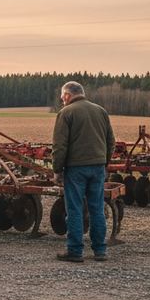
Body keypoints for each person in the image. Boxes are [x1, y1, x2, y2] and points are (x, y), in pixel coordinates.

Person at [52, 81, 115, 262]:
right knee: (96, 209)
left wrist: (57, 170)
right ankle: (100, 251)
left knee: (74, 209)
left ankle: (75, 251)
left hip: (76, 169)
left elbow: (59, 145)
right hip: (98, 168)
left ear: (67, 95)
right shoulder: (100, 111)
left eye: (62, 96)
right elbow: (111, 141)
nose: (61, 100)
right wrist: (104, 164)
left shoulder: (66, 113)